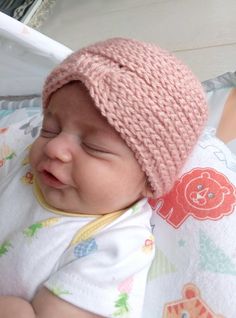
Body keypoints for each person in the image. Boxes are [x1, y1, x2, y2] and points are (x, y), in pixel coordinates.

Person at [0, 37, 207, 318]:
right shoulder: (25, 163)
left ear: (149, 180)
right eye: (49, 128)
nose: (54, 147)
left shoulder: (117, 245)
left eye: (93, 146)